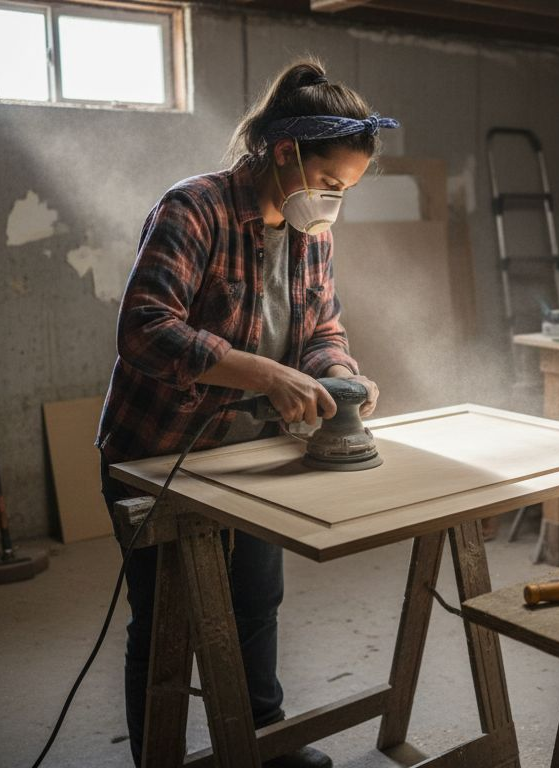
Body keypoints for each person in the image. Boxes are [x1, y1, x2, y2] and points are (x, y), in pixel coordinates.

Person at [96, 58, 397, 768]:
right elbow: (144, 327)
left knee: (256, 601)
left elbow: (323, 331)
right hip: (157, 450)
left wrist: (343, 377)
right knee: (165, 617)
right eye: (328, 184)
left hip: (249, 450)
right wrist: (261, 372)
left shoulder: (311, 235)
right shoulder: (192, 208)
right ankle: (159, 754)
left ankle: (266, 741)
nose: (331, 204)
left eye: (344, 192)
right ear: (283, 152)